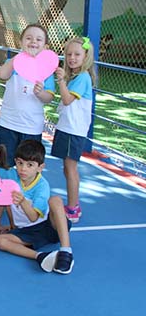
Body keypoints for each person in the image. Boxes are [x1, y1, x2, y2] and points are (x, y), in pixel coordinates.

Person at [0, 140, 75, 274]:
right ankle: (40, 256)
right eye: (20, 163)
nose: (23, 169)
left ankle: (66, 251)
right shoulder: (12, 176)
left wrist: (23, 201)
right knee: (0, 241)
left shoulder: (42, 186)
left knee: (55, 200)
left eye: (29, 165)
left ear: (40, 167)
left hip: (50, 227)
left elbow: (33, 217)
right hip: (27, 231)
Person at [0, 24, 55, 167]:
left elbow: (49, 97)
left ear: (45, 46)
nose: (33, 41)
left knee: (28, 168)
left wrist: (40, 93)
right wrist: (16, 60)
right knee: (3, 164)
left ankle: (23, 190)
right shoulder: (13, 63)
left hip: (31, 127)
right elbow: (2, 75)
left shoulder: (46, 69)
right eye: (28, 38)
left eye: (39, 39)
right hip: (7, 124)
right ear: (21, 42)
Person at [52, 37, 96, 223]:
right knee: (67, 168)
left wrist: (61, 80)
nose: (72, 58)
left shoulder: (83, 77)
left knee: (70, 169)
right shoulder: (77, 77)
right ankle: (73, 204)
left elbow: (67, 99)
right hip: (67, 128)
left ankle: (73, 208)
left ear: (86, 56)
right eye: (69, 54)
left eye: (77, 54)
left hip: (73, 131)